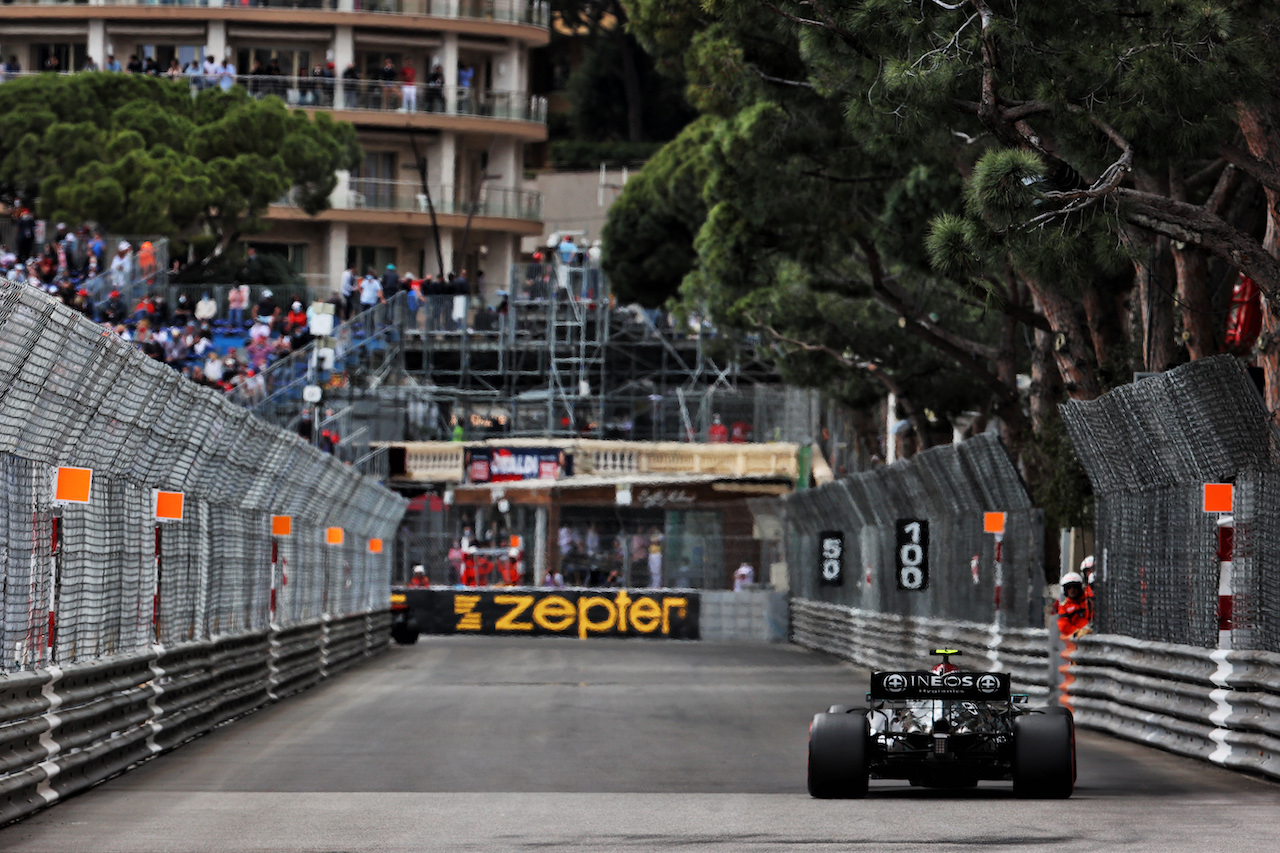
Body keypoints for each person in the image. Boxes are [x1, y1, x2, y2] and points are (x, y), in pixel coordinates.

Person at [1056, 572, 1094, 639]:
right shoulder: (1064, 607)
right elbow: (1063, 626)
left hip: (1092, 633)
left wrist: (1089, 629)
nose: (1072, 590)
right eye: (1068, 587)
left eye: (1075, 587)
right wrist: (1078, 631)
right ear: (1065, 590)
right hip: (1075, 639)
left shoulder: (1088, 601)